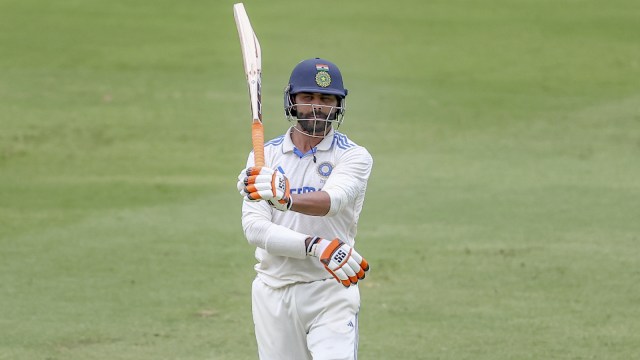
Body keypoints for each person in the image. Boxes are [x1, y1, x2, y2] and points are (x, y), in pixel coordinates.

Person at [236, 57, 373, 360]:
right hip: (273, 290)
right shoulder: (264, 157)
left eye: (326, 98)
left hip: (330, 288)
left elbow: (332, 201)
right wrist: (314, 246)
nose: (316, 105)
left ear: (338, 104)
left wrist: (284, 197)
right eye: (308, 97)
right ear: (292, 101)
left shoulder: (354, 156)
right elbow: (255, 229)